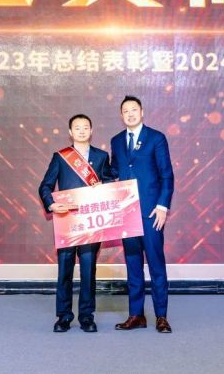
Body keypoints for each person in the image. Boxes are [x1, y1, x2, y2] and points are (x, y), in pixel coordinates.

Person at [38, 114, 113, 333]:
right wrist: (52, 204)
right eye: (77, 128)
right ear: (70, 132)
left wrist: (103, 186)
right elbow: (45, 186)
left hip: (90, 221)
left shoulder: (101, 156)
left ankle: (87, 317)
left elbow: (110, 183)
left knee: (89, 271)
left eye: (85, 127)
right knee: (65, 270)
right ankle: (64, 317)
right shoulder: (61, 157)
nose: (81, 131)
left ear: (91, 130)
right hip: (67, 221)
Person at [110, 95, 174, 333]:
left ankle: (161, 316)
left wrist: (162, 206)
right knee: (133, 264)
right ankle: (136, 315)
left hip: (151, 212)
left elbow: (167, 175)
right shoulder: (117, 141)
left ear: (142, 112)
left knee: (156, 264)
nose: (130, 114)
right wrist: (97, 182)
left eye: (133, 110)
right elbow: (114, 170)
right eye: (125, 111)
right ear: (121, 115)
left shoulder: (156, 138)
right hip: (127, 213)